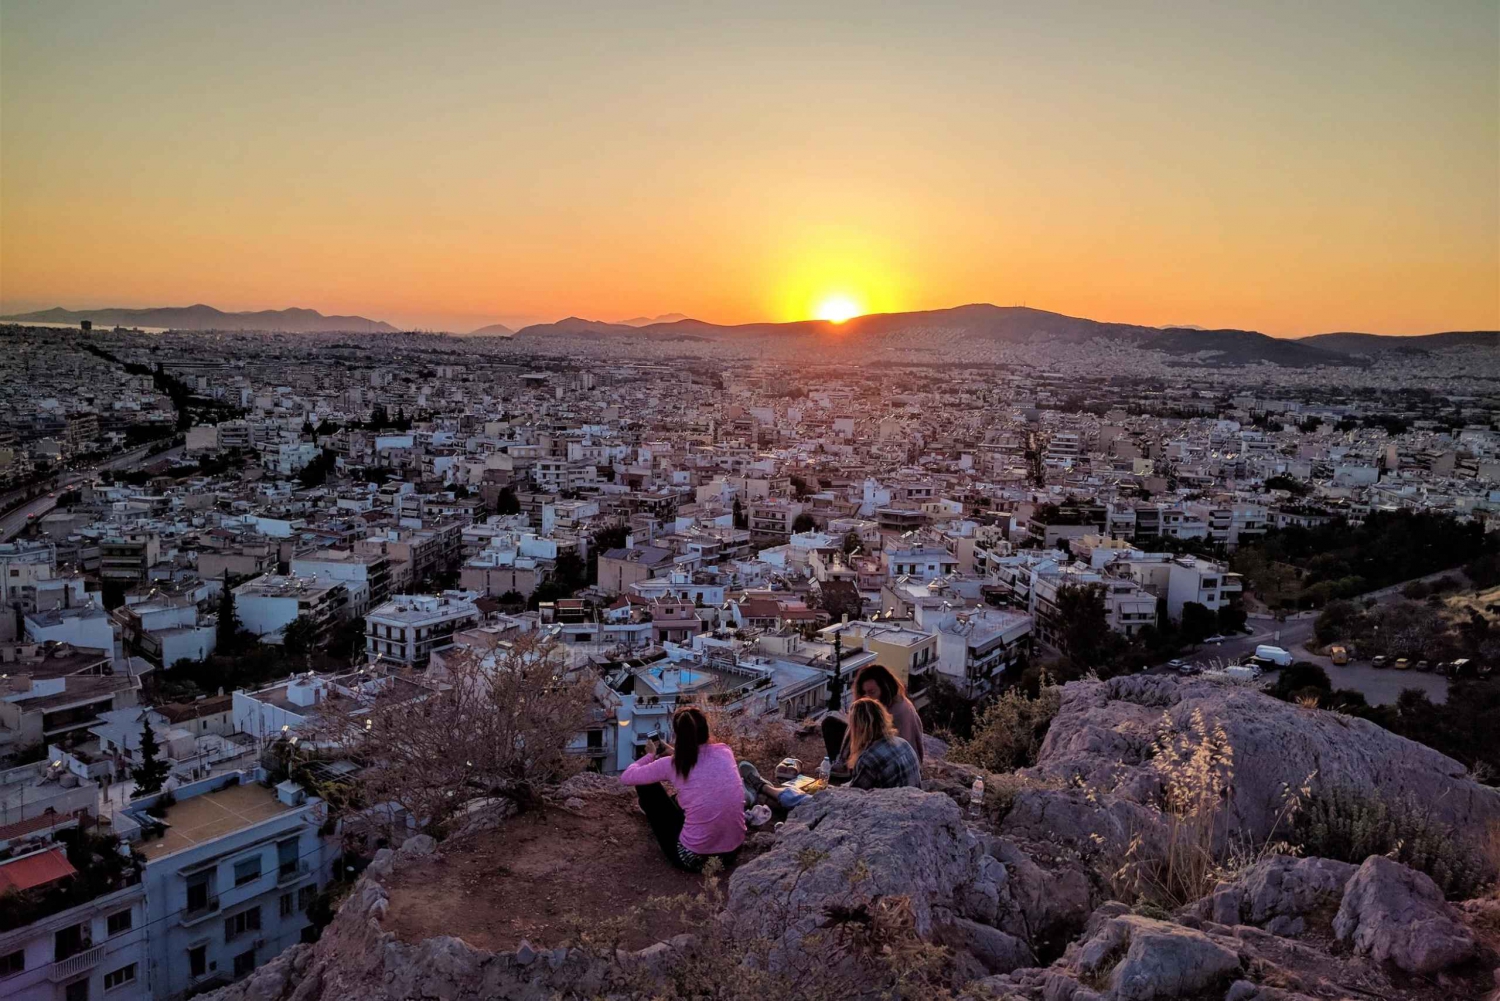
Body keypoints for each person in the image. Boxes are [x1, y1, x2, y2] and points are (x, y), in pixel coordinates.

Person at [618, 706, 746, 871]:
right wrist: (672, 752)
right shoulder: (724, 751)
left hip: (693, 859)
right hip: (732, 852)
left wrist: (650, 755)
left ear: (678, 735)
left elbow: (627, 777)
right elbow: (699, 760)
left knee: (646, 786)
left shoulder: (673, 764)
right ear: (706, 730)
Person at [822, 663, 925, 770]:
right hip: (881, 750)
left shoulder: (895, 711)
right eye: (864, 693)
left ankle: (845, 768)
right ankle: (839, 763)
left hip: (891, 763)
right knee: (831, 723)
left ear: (884, 688)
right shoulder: (891, 701)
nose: (868, 697)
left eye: (872, 692)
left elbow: (887, 748)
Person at [844, 697, 922, 790]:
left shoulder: (868, 760)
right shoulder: (903, 743)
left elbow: (855, 794)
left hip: (890, 803)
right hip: (913, 800)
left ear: (859, 727)